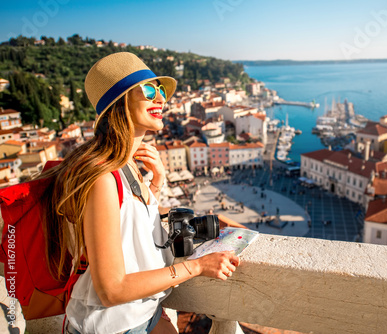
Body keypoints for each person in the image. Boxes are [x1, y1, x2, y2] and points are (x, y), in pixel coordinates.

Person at [40, 52, 240, 334]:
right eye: (149, 90)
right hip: (113, 325)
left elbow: (130, 220)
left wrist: (157, 183)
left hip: (146, 312)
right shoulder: (103, 178)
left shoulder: (127, 166)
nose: (161, 99)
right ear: (119, 102)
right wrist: (197, 267)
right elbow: (111, 289)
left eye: (160, 90)